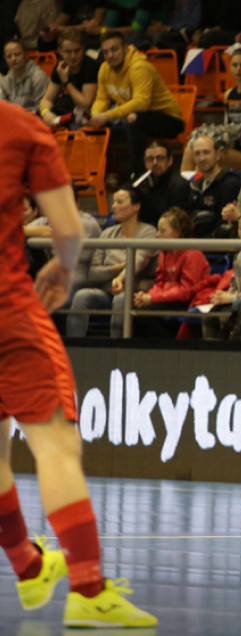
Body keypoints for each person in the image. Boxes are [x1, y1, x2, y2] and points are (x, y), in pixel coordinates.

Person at [0, 101, 158, 628]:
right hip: (7, 313)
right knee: (56, 446)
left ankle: (27, 566)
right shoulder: (19, 126)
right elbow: (69, 228)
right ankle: (89, 589)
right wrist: (65, 272)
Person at [88, 32, 184, 176]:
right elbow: (102, 98)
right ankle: (104, 174)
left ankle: (137, 175)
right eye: (105, 52)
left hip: (168, 118)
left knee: (135, 120)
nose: (110, 55)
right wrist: (96, 116)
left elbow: (141, 103)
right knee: (96, 125)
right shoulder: (104, 69)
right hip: (133, 116)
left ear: (125, 48)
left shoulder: (140, 68)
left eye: (114, 50)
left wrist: (107, 115)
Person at [67, 189, 158, 339]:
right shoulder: (107, 233)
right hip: (106, 292)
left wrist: (121, 278)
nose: (113, 206)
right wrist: (118, 267)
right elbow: (93, 273)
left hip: (135, 292)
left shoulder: (148, 232)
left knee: (121, 299)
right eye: (114, 202)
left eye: (120, 202)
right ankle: (74, 347)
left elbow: (138, 260)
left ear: (136, 207)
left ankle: (118, 349)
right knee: (82, 296)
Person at [131, 207, 210, 337]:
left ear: (178, 232)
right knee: (135, 310)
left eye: (162, 231)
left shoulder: (193, 253)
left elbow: (187, 291)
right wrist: (147, 296)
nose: (157, 235)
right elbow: (160, 282)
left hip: (190, 301)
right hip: (169, 298)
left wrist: (152, 298)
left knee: (145, 315)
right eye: (158, 230)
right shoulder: (164, 252)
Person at [39, 30, 99, 128]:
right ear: (60, 51)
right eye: (68, 52)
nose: (73, 56)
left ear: (83, 49)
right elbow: (46, 100)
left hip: (91, 112)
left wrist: (66, 81)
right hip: (73, 109)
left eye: (77, 51)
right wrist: (46, 113)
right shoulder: (60, 67)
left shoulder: (91, 66)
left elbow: (85, 104)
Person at [134, 141, 192, 229]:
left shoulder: (179, 184)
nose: (155, 163)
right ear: (145, 162)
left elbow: (175, 221)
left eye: (160, 158)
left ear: (170, 161)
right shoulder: (142, 183)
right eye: (150, 159)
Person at [0, 40, 49, 113]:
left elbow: (43, 107)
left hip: (34, 118)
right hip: (14, 118)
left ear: (26, 55)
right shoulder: (6, 80)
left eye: (17, 54)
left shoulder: (38, 76)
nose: (13, 59)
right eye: (9, 56)